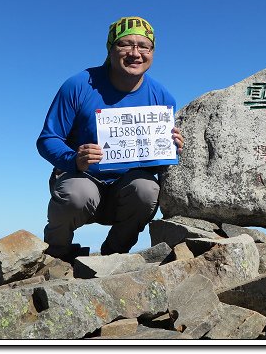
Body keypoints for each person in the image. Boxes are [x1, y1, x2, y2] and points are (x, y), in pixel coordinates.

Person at [37, 16, 184, 260]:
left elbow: (155, 166)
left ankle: (115, 257)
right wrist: (74, 159)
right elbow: (47, 139)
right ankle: (55, 255)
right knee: (77, 193)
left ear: (152, 52)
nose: (135, 53)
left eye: (144, 46)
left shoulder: (161, 96)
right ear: (110, 48)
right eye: (125, 44)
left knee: (147, 190)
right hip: (82, 179)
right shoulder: (79, 85)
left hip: (125, 190)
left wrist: (170, 149)